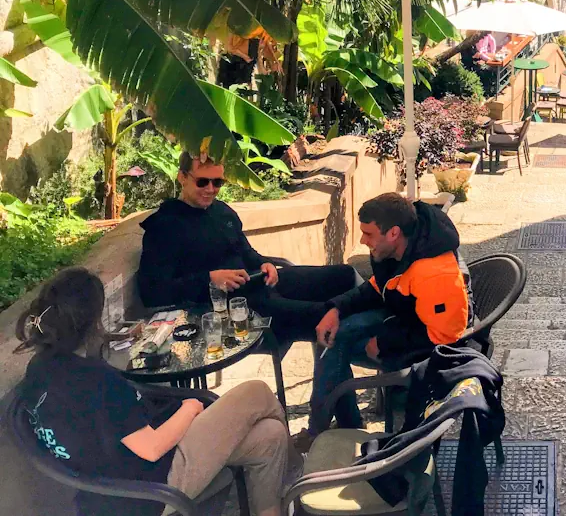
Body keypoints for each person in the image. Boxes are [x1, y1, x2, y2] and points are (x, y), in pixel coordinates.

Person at [16, 268, 296, 516]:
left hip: (113, 480)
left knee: (269, 435)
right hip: (150, 487)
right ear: (92, 322)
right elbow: (151, 448)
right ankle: (302, 482)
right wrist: (189, 408)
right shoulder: (96, 381)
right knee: (256, 392)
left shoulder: (40, 367)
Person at [137, 151, 358, 346]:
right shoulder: (164, 226)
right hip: (235, 311)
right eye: (202, 182)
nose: (211, 190)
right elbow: (152, 292)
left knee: (344, 275)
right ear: (182, 177)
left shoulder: (221, 212)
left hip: (260, 283)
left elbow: (245, 252)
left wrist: (264, 263)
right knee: (329, 315)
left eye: (218, 182)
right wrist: (210, 279)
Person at [302, 192, 473, 445]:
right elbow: (377, 287)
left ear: (393, 233)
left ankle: (323, 431)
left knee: (334, 348)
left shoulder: (434, 272)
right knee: (335, 336)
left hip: (430, 349)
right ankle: (341, 426)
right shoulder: (399, 249)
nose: (362, 240)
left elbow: (446, 337)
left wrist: (384, 343)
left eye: (368, 234)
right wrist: (336, 309)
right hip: (405, 317)